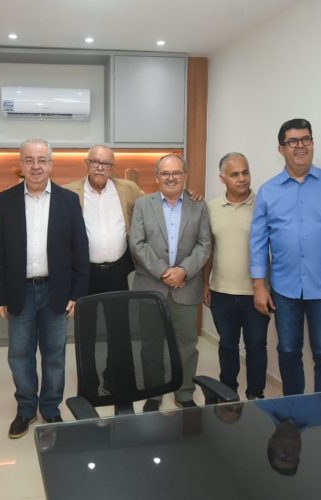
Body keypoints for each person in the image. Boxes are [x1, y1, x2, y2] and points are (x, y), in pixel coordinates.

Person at [250, 118, 321, 397]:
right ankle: (293, 410)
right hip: (284, 288)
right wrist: (259, 285)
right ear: (281, 149)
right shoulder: (268, 191)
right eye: (293, 141)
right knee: (288, 351)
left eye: (306, 139)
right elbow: (258, 241)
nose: (300, 146)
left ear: (312, 143)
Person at [0, 138, 89, 438]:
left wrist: (77, 294)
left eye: (42, 160)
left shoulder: (68, 200)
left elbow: (80, 250)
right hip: (19, 292)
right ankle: (25, 409)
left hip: (56, 292)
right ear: (20, 164)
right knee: (19, 355)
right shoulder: (5, 200)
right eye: (29, 160)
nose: (36, 166)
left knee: (54, 355)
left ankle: (50, 408)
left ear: (51, 164)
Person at [129, 154, 211, 411]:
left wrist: (183, 271)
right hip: (150, 287)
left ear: (185, 175)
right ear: (157, 177)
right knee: (151, 344)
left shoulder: (199, 206)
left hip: (186, 286)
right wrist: (164, 272)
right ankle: (154, 393)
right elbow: (137, 244)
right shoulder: (143, 205)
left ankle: (184, 392)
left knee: (187, 344)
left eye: (177, 173)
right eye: (165, 173)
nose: (171, 178)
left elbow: (204, 244)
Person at [64, 145, 143, 395]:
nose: (100, 167)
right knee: (85, 332)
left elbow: (154, 205)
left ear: (112, 167)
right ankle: (89, 386)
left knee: (119, 330)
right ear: (86, 163)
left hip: (117, 270)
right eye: (95, 162)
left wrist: (187, 194)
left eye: (106, 163)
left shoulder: (128, 189)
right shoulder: (68, 192)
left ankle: (116, 380)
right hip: (84, 273)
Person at [203, 152, 269, 400]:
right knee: (227, 345)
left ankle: (255, 396)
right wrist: (205, 284)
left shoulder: (263, 205)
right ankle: (228, 394)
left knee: (256, 346)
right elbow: (209, 249)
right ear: (222, 178)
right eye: (234, 174)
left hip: (256, 293)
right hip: (221, 292)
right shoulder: (211, 208)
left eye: (245, 172)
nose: (242, 178)